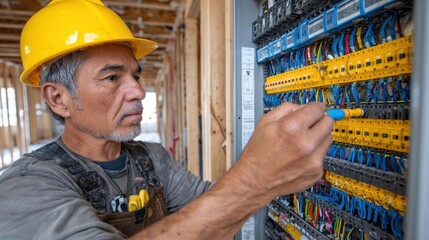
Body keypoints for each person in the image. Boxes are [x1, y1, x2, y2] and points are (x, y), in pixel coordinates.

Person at [0, 0, 334, 239]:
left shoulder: (151, 159)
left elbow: (212, 205)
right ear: (59, 99)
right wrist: (258, 178)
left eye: (135, 75)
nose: (138, 92)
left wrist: (275, 167)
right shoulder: (25, 187)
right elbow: (230, 202)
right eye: (113, 78)